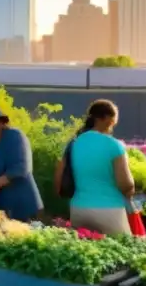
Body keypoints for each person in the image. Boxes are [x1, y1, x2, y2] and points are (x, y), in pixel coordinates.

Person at [55, 99, 135, 235]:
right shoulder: (113, 145)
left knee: (86, 252)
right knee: (121, 251)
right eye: (114, 120)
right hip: (110, 211)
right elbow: (125, 185)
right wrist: (131, 190)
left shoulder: (73, 143)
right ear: (108, 119)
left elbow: (58, 179)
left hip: (78, 209)